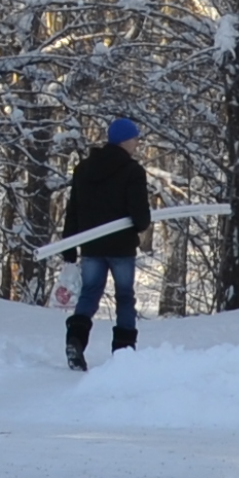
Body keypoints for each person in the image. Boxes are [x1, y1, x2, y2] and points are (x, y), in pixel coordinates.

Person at [61, 115, 152, 370]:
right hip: (121, 248)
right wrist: (141, 222)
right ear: (125, 140)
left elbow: (73, 210)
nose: (137, 143)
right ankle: (123, 353)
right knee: (124, 297)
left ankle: (75, 341)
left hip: (91, 245)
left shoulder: (83, 169)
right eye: (135, 138)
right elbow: (140, 217)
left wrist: (70, 243)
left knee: (89, 294)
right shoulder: (133, 171)